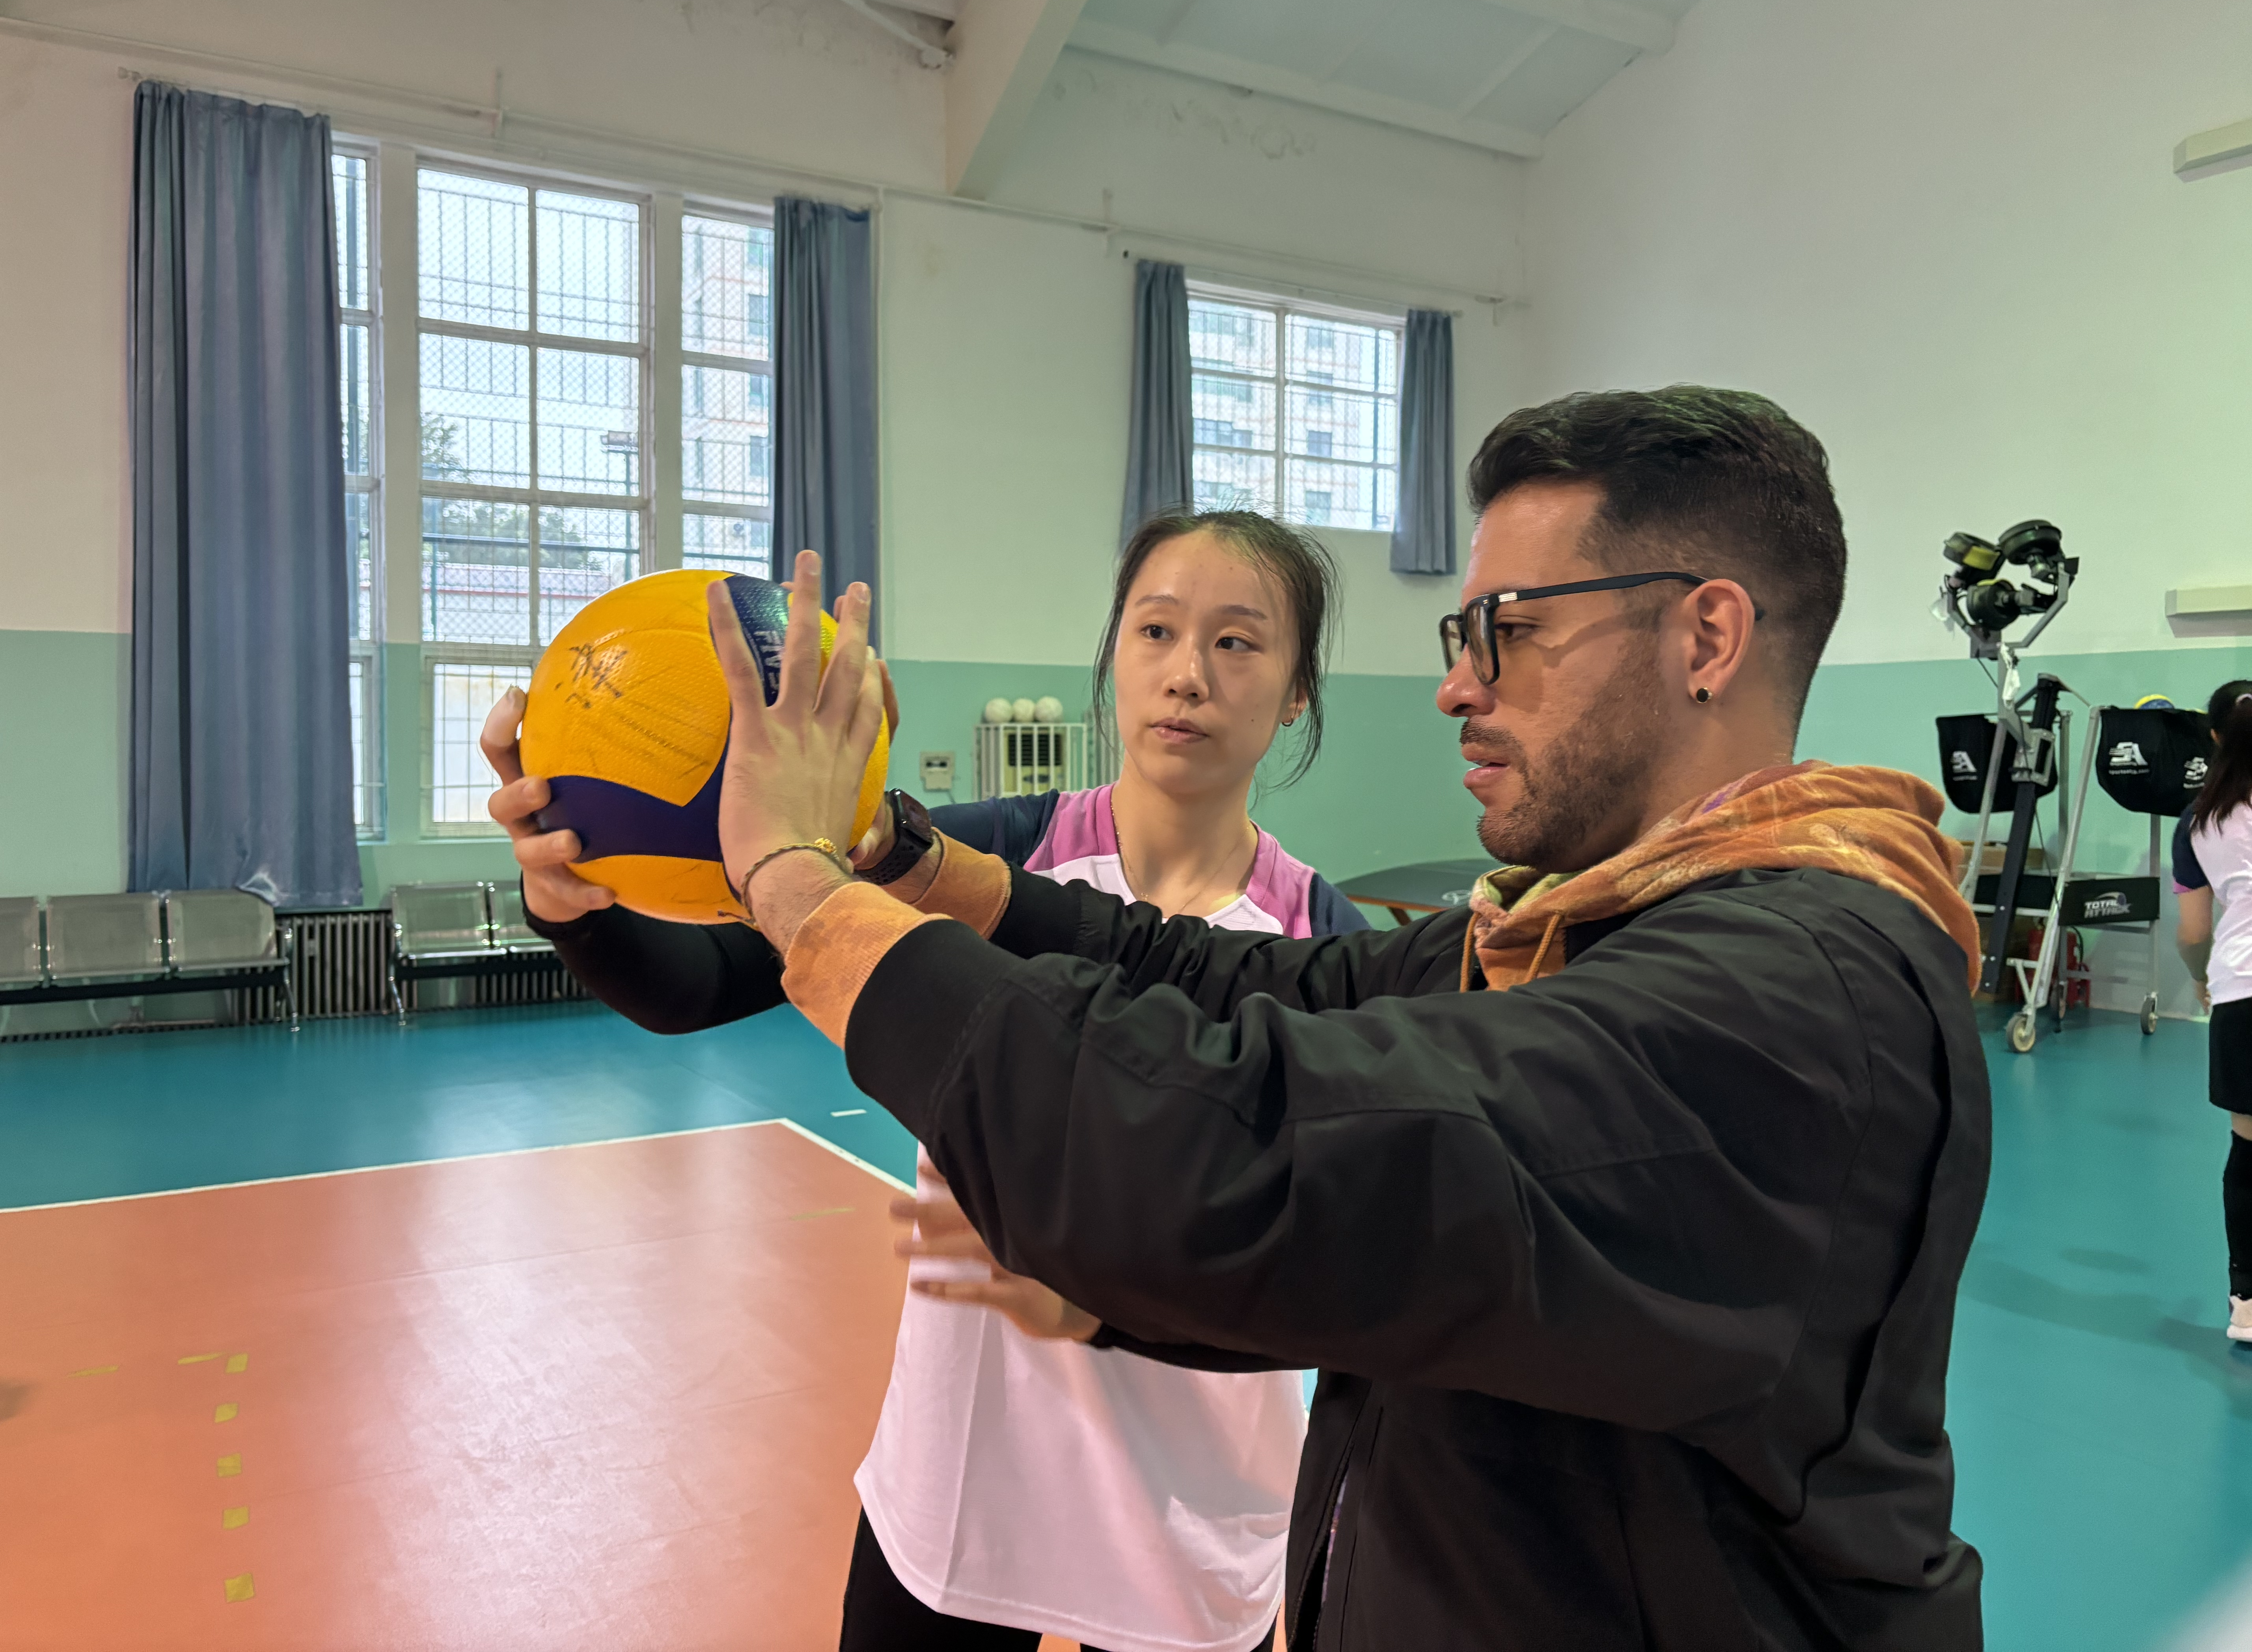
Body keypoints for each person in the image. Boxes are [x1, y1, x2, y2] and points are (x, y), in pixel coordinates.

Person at [705, 386, 1994, 1650]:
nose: (1456, 688)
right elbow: (1256, 987)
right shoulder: (1593, 930)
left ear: (1705, 639)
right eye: (1458, 633)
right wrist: (905, 861)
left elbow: (1240, 1161)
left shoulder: (1779, 998)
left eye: (1510, 628)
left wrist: (799, 887)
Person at [482, 510, 1365, 1652]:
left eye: (1239, 643)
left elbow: (1328, 1244)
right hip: (957, 1487)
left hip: (1191, 1512)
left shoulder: (1313, 938)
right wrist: (571, 899)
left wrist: (1106, 1304)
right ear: (1116, 653)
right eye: (1156, 630)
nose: (1187, 673)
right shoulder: (982, 855)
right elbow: (694, 984)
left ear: (1297, 691)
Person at [2171, 678, 2252, 1345]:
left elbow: (2194, 934)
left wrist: (2203, 982)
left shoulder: (2198, 821)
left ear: (2216, 736)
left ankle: (2247, 1303)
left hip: (2242, 991)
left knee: (2249, 1148)